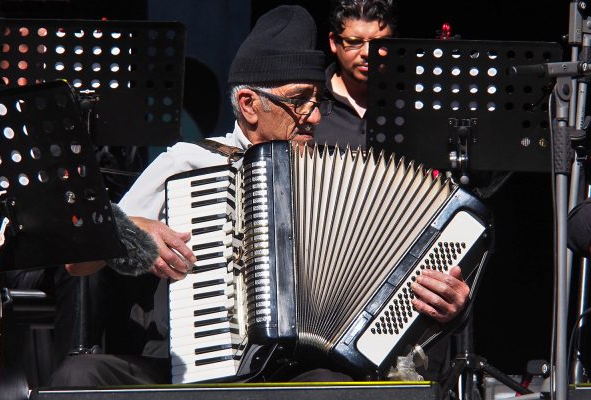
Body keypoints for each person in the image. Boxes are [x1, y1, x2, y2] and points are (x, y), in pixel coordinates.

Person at [50, 5, 469, 386]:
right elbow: (78, 261)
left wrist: (444, 306)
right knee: (80, 375)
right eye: (299, 102)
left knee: (334, 390)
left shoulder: (348, 179)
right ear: (249, 105)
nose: (316, 115)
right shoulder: (188, 162)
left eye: (317, 99)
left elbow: (398, 295)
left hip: (306, 370)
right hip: (196, 365)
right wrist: (133, 228)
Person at [314, 0, 397, 149]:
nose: (366, 53)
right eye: (354, 42)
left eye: (379, 43)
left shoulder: (408, 102)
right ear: (333, 42)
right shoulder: (312, 103)